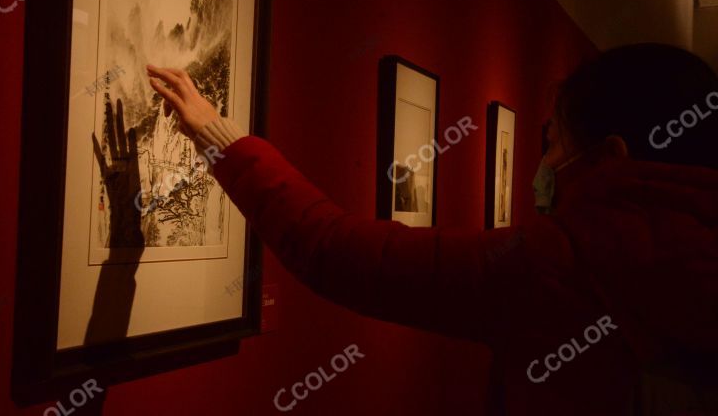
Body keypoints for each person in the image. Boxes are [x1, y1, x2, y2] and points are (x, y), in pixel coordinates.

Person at [147, 44, 718, 416]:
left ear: (608, 160)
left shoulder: (559, 265)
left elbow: (334, 251)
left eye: (555, 144)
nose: (543, 167)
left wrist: (219, 136)